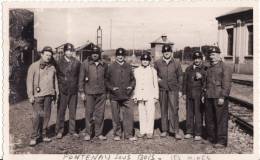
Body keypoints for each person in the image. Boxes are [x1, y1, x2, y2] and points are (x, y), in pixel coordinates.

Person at [26, 46, 59, 146]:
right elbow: (29, 82)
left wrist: (56, 94)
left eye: (50, 55)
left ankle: (44, 135)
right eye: (46, 55)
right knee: (37, 117)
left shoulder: (52, 67)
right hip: (38, 96)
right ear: (42, 54)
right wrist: (30, 95)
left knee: (46, 116)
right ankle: (34, 137)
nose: (48, 57)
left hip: (49, 95)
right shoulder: (34, 66)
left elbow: (55, 81)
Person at [105, 48, 137, 141]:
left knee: (129, 116)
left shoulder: (128, 66)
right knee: (116, 116)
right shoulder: (111, 67)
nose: (120, 57)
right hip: (115, 95)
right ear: (116, 56)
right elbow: (106, 80)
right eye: (118, 55)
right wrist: (111, 88)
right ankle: (117, 134)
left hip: (127, 95)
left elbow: (133, 80)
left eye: (122, 55)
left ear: (124, 56)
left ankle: (129, 134)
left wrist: (131, 87)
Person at [204, 46, 232, 148]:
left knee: (221, 119)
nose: (212, 57)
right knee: (209, 118)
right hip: (209, 96)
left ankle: (221, 141)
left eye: (214, 55)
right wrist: (204, 95)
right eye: (210, 55)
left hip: (219, 97)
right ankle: (211, 138)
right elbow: (206, 83)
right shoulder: (208, 67)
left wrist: (223, 97)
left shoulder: (225, 67)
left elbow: (227, 84)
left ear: (219, 55)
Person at [78, 45, 108, 141]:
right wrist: (82, 92)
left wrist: (106, 92)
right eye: (93, 53)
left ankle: (99, 133)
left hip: (101, 93)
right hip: (89, 93)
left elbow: (107, 78)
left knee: (100, 114)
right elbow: (81, 79)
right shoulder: (85, 64)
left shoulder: (104, 64)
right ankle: (88, 133)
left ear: (99, 54)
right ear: (91, 54)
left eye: (97, 53)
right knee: (89, 113)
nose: (95, 55)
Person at [154, 44, 183, 140]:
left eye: (168, 51)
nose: (166, 53)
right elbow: (154, 75)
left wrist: (180, 90)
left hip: (173, 90)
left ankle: (175, 131)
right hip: (162, 89)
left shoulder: (177, 62)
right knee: (163, 109)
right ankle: (165, 130)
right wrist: (159, 80)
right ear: (163, 53)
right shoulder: (158, 63)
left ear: (171, 52)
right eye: (165, 51)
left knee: (174, 110)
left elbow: (180, 76)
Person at [55, 43, 81, 139]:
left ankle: (72, 130)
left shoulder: (77, 62)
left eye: (71, 51)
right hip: (63, 91)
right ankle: (59, 130)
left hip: (73, 91)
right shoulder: (58, 62)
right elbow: (56, 76)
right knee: (61, 111)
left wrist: (78, 88)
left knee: (73, 112)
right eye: (68, 51)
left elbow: (79, 76)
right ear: (64, 51)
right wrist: (59, 88)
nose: (69, 52)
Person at [133, 52, 159, 139]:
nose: (145, 61)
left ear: (149, 61)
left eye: (146, 60)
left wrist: (156, 96)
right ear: (141, 61)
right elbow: (135, 84)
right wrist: (135, 96)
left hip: (150, 95)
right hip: (140, 95)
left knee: (150, 113)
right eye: (143, 60)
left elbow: (155, 84)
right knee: (141, 113)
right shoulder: (136, 71)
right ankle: (142, 131)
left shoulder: (153, 71)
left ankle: (149, 131)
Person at [183, 51, 206, 141]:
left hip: (199, 95)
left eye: (198, 58)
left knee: (198, 114)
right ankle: (189, 132)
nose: (197, 60)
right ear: (193, 59)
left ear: (201, 59)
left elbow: (207, 82)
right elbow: (184, 82)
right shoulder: (188, 69)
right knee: (189, 114)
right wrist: (184, 93)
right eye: (195, 59)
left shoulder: (205, 69)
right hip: (189, 95)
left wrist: (202, 77)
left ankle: (198, 133)